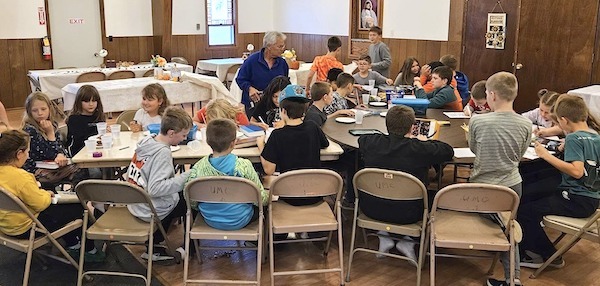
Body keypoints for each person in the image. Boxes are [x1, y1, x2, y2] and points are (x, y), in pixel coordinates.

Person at [359, 105, 453, 259]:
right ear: (412, 127)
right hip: (410, 213)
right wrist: (423, 141)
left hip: (372, 208)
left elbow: (362, 139)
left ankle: (384, 234)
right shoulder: (419, 148)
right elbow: (447, 150)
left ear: (386, 124)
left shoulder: (372, 143)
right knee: (435, 196)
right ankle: (409, 240)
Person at [519, 94, 600, 271]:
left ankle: (546, 255)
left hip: (576, 199)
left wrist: (545, 155)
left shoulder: (574, 139)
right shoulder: (595, 137)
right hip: (591, 199)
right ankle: (531, 246)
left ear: (563, 120)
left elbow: (577, 171)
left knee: (525, 210)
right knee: (530, 197)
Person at [0, 129, 104, 262]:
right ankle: (90, 251)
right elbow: (40, 204)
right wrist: (46, 195)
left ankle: (73, 245)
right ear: (19, 154)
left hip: (6, 227)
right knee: (79, 208)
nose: (28, 155)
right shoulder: (21, 176)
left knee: (55, 200)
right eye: (27, 152)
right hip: (27, 228)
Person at [468, 72, 531, 286]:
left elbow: (474, 149)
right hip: (512, 186)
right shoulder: (525, 124)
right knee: (508, 227)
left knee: (504, 227)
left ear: (492, 95)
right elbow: (521, 153)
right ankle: (513, 278)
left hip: (481, 187)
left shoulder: (478, 121)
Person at [126, 106, 192, 261]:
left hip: (135, 202)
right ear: (171, 133)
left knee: (179, 196)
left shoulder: (147, 141)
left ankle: (155, 243)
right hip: (147, 207)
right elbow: (156, 189)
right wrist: (187, 176)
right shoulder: (162, 153)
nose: (184, 138)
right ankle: (187, 246)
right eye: (183, 135)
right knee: (189, 197)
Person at [186, 119, 268, 230]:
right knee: (265, 209)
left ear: (208, 141)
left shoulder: (197, 168)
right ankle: (261, 243)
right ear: (233, 142)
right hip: (241, 219)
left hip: (210, 219)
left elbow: (191, 201)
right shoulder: (244, 166)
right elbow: (260, 199)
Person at [257, 84, 329, 206]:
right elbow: (325, 144)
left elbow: (269, 170)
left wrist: (260, 145)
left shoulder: (277, 135)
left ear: (283, 111)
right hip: (315, 194)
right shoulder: (312, 127)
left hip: (289, 196)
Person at [22, 92, 80, 188]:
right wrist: (50, 134)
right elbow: (49, 153)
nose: (40, 113)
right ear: (29, 112)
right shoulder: (29, 130)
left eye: (43, 109)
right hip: (35, 169)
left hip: (53, 166)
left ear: (49, 109)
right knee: (77, 172)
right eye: (35, 110)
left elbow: (60, 148)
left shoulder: (52, 124)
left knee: (80, 168)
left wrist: (60, 154)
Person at [236, 31, 289, 114]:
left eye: (283, 46)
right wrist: (250, 88)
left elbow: (285, 83)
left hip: (275, 105)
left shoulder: (282, 63)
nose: (283, 49)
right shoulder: (252, 61)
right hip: (254, 104)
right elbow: (240, 79)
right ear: (269, 46)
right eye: (280, 46)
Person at [65, 85, 106, 156]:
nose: (91, 104)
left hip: (97, 151)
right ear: (79, 102)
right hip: (79, 153)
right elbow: (77, 141)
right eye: (86, 101)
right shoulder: (74, 119)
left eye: (94, 101)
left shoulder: (99, 116)